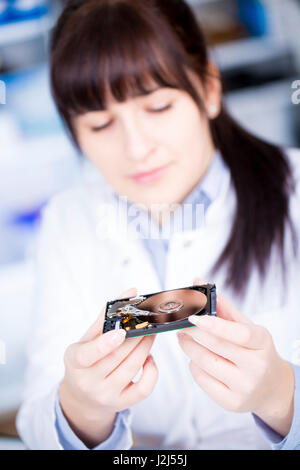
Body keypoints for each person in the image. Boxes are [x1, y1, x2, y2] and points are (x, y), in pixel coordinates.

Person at [16, 0, 300, 450]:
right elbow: (36, 422)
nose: (136, 147)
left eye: (159, 106)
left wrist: (282, 395)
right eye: (101, 122)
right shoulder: (68, 220)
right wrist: (83, 406)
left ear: (208, 88)